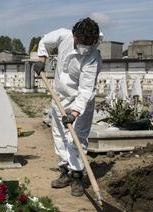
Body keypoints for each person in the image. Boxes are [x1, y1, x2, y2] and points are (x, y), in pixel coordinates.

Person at [33, 17, 102, 197]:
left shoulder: (93, 56)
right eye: (83, 41)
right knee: (59, 135)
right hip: (59, 97)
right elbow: (44, 41)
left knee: (77, 138)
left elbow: (86, 90)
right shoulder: (63, 36)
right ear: (74, 36)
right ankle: (65, 170)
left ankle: (77, 176)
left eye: (90, 42)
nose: (86, 46)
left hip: (81, 102)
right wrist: (42, 60)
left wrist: (74, 112)